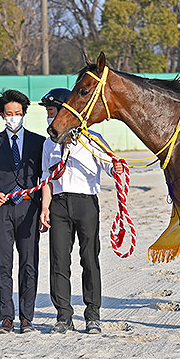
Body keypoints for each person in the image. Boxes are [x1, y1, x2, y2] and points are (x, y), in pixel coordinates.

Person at [39, 89, 124, 334]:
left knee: (89, 258)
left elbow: (109, 166)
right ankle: (63, 315)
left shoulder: (93, 139)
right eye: (48, 112)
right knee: (59, 261)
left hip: (86, 203)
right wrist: (45, 208)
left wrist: (116, 167)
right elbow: (46, 178)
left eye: (52, 111)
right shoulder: (49, 142)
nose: (49, 116)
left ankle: (93, 314)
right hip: (59, 205)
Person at [0, 90, 45, 334]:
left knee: (29, 263)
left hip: (29, 207)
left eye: (18, 113)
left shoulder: (38, 142)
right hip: (2, 209)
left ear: (24, 114)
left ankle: (26, 317)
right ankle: (6, 317)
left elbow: (46, 175)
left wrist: (43, 206)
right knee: (3, 263)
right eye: (9, 114)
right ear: (1, 115)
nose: (13, 117)